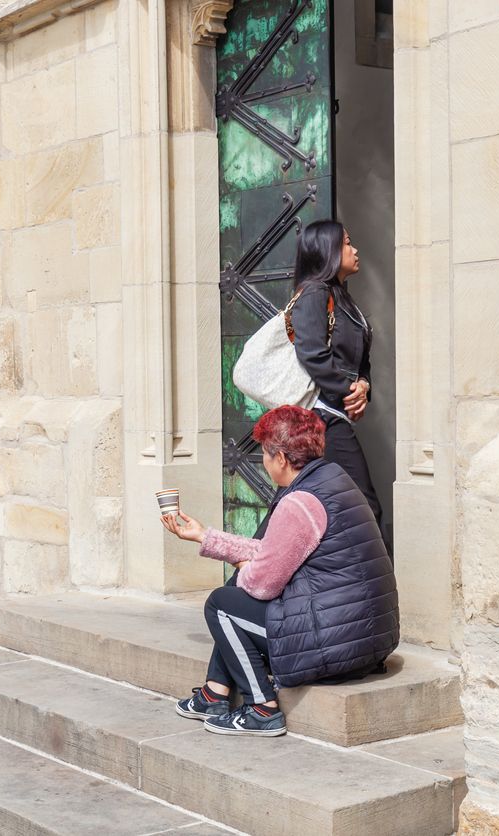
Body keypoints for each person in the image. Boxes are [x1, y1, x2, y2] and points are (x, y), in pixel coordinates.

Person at [161, 405, 399, 737]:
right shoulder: (332, 480)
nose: (264, 462)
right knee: (237, 593)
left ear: (282, 459)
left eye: (265, 455)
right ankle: (215, 692)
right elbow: (275, 552)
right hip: (365, 639)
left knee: (222, 603)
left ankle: (262, 708)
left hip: (337, 643)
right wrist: (205, 537)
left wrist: (245, 569)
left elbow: (261, 586)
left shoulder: (299, 502)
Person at [287, 220, 383, 527]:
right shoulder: (314, 294)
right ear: (327, 250)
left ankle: (250, 571)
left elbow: (359, 362)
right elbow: (312, 353)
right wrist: (347, 393)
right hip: (320, 417)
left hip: (331, 415)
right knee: (363, 508)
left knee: (299, 506)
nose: (354, 250)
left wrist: (364, 387)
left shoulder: (342, 299)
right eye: (346, 243)